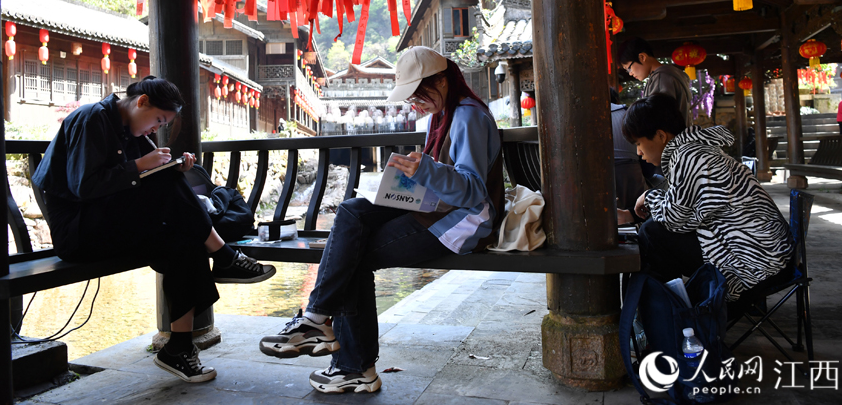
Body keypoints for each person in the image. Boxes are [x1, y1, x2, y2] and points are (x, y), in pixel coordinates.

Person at [258, 46, 505, 394]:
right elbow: (441, 179)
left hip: (461, 222)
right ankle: (319, 322)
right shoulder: (442, 113)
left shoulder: (467, 116)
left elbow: (473, 191)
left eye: (419, 93)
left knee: (352, 257)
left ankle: (350, 363)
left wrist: (427, 170)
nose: (415, 103)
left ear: (442, 81)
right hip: (433, 208)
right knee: (351, 212)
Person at [32, 77, 276, 383]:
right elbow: (84, 185)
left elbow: (152, 173)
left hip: (111, 226)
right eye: (158, 120)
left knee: (184, 238)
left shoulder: (131, 129)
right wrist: (141, 166)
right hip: (79, 232)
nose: (155, 129)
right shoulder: (93, 117)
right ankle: (225, 255)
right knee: (165, 183)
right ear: (142, 102)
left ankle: (179, 348)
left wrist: (174, 166)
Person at [616, 94, 793, 302]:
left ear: (661, 136)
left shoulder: (689, 157)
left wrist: (650, 196)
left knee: (653, 234)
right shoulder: (694, 151)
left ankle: (670, 315)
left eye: (639, 143)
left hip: (754, 263)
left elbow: (674, 220)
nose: (638, 152)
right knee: (653, 232)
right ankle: (671, 313)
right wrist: (639, 209)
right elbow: (685, 209)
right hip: (768, 254)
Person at [618, 37, 693, 127]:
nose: (630, 73)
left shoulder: (661, 78)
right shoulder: (670, 74)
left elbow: (659, 120)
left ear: (642, 57)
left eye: (629, 68)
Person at [610, 87, 646, 209]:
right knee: (637, 212)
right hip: (631, 172)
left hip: (599, 173)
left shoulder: (584, 115)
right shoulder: (626, 112)